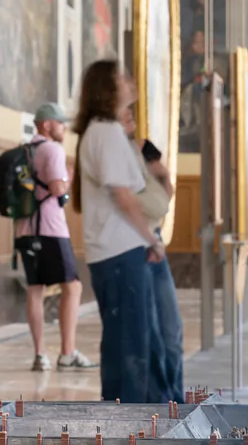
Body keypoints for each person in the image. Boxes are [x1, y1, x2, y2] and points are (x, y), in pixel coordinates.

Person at [70, 60, 169, 403]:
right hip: (119, 251)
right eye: (123, 77)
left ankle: (140, 415)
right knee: (130, 344)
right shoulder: (106, 131)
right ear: (108, 89)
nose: (130, 81)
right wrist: (151, 238)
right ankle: (131, 424)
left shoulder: (101, 131)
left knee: (131, 341)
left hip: (116, 250)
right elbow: (123, 196)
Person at [14, 102, 96, 372]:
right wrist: (69, 182)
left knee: (35, 289)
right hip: (50, 229)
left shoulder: (24, 150)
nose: (63, 127)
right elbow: (59, 193)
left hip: (24, 230)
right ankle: (67, 352)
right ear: (46, 125)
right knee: (72, 287)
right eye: (60, 123)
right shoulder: (53, 150)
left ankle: (40, 355)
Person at [121, 104, 184, 403]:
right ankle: (160, 403)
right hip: (132, 245)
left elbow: (164, 181)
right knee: (153, 337)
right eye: (126, 114)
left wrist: (163, 178)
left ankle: (177, 400)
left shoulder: (143, 149)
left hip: (152, 241)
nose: (131, 121)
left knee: (171, 333)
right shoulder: (112, 157)